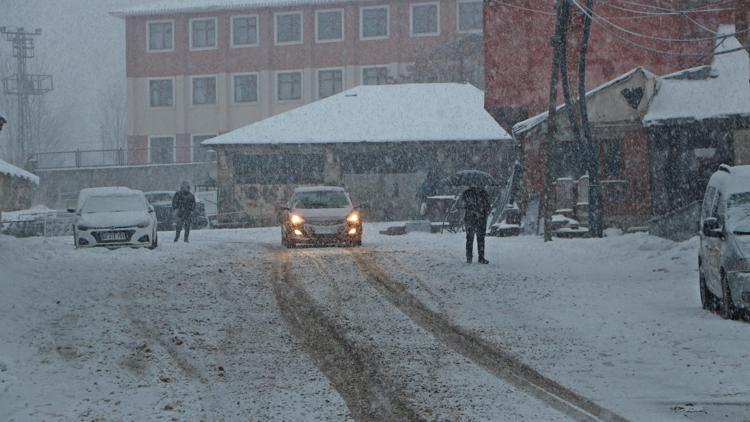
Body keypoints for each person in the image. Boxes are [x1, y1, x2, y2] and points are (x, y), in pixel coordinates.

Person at [461, 184, 491, 264]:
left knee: (470, 239)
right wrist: (482, 213)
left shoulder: (466, 193)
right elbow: (488, 208)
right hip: (480, 219)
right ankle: (481, 257)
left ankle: (469, 257)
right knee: (480, 239)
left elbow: (464, 206)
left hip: (470, 219)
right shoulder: (484, 193)